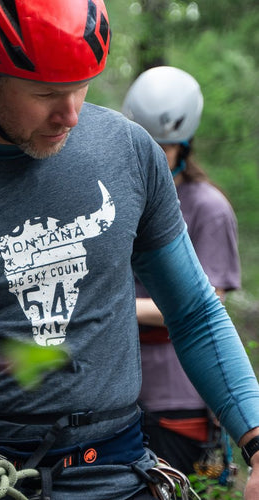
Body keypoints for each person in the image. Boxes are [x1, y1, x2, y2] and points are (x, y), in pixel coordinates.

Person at [0, 1, 259, 499]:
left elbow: (193, 312)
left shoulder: (129, 153)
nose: (71, 115)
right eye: (45, 93)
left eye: (81, 86)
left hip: (121, 475)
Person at [121, 66, 242, 480]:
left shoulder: (207, 208)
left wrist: (112, 308)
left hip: (178, 397)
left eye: (165, 148)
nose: (155, 157)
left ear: (184, 145)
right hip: (119, 394)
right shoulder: (116, 203)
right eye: (145, 146)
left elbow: (207, 306)